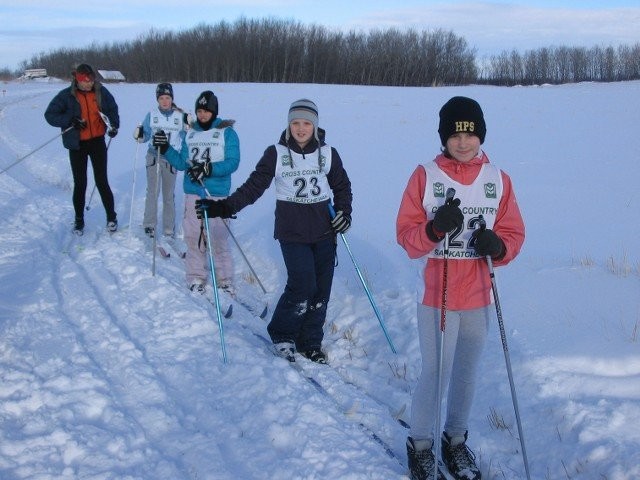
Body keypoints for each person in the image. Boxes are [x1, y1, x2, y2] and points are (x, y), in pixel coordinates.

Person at [396, 96, 525, 480]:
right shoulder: (425, 175)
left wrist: (498, 246)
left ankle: (455, 440)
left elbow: (513, 233)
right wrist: (435, 229)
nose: (463, 142)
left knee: (467, 374)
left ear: (480, 135)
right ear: (444, 137)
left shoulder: (498, 179)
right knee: (436, 372)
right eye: (455, 134)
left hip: (479, 295)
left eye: (470, 134)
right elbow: (406, 237)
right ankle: (421, 444)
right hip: (439, 294)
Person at [195, 99, 353, 364]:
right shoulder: (276, 153)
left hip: (325, 232)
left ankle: (310, 341)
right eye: (295, 123)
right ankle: (282, 333)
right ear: (288, 125)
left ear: (315, 126)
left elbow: (342, 186)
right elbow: (254, 187)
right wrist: (225, 207)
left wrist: (344, 213)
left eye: (306, 123)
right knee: (303, 284)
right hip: (293, 233)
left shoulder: (328, 154)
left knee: (320, 290)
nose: (301, 129)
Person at [152, 90, 239, 293]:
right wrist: (165, 148)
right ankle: (196, 277)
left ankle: (224, 279)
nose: (202, 115)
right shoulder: (190, 132)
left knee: (218, 236)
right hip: (193, 191)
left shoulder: (227, 132)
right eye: (199, 111)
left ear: (214, 111)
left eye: (207, 111)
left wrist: (210, 168)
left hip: (216, 193)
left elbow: (233, 162)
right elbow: (182, 163)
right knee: (193, 236)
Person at [44, 63, 119, 235]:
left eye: (90, 80)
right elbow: (50, 115)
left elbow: (112, 109)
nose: (88, 83)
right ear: (77, 79)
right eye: (84, 81)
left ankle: (111, 218)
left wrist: (114, 126)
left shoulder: (101, 92)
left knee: (101, 181)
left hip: (97, 142)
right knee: (80, 183)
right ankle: (79, 221)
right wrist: (71, 121)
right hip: (77, 144)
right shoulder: (66, 95)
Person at [133, 83, 187, 238]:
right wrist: (140, 134)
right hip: (154, 156)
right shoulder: (152, 115)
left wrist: (190, 128)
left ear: (172, 98)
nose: (165, 101)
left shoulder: (180, 116)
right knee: (153, 192)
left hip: (171, 158)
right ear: (157, 99)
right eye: (161, 98)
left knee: (168, 195)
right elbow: (145, 135)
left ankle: (169, 227)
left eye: (168, 97)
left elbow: (185, 137)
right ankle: (149, 224)